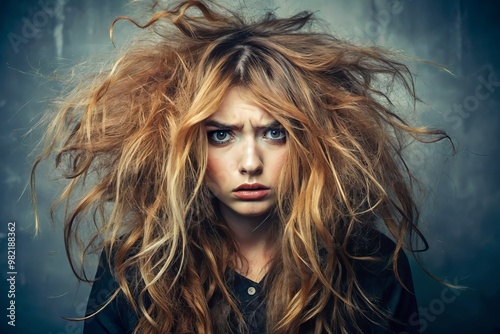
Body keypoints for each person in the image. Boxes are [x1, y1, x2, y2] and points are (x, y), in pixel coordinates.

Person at [31, 0, 452, 333]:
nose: (250, 163)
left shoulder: (371, 264)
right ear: (185, 146)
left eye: (275, 133)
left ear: (310, 142)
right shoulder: (134, 267)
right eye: (220, 135)